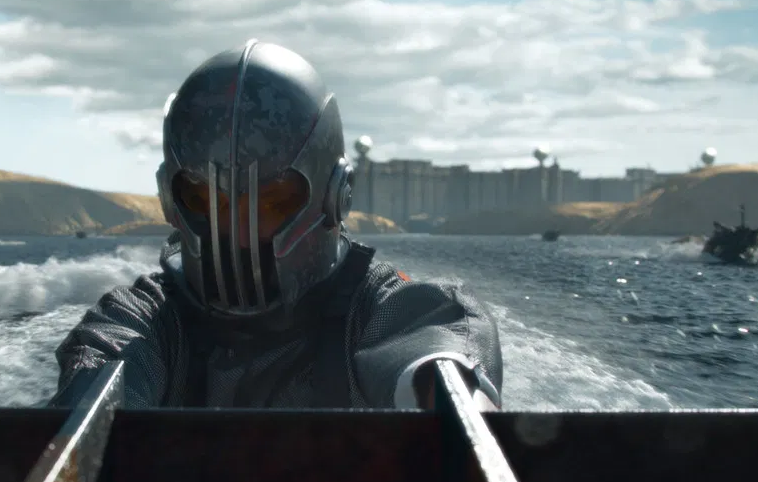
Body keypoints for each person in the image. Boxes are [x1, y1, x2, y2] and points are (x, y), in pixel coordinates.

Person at [51, 40, 503, 410]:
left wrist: (446, 392)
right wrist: (94, 404)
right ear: (171, 200)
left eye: (271, 200)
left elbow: (432, 340)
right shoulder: (146, 317)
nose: (236, 229)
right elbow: (108, 363)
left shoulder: (382, 310)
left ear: (334, 196)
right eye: (205, 199)